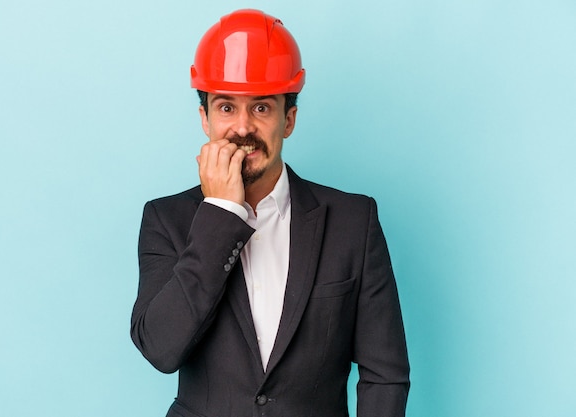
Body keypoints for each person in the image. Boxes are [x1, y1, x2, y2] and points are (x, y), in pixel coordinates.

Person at [131, 9, 410, 417]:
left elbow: (385, 374)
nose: (242, 127)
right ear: (204, 118)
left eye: (261, 108)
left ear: (289, 119)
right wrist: (222, 212)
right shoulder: (165, 220)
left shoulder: (354, 222)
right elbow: (160, 348)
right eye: (226, 107)